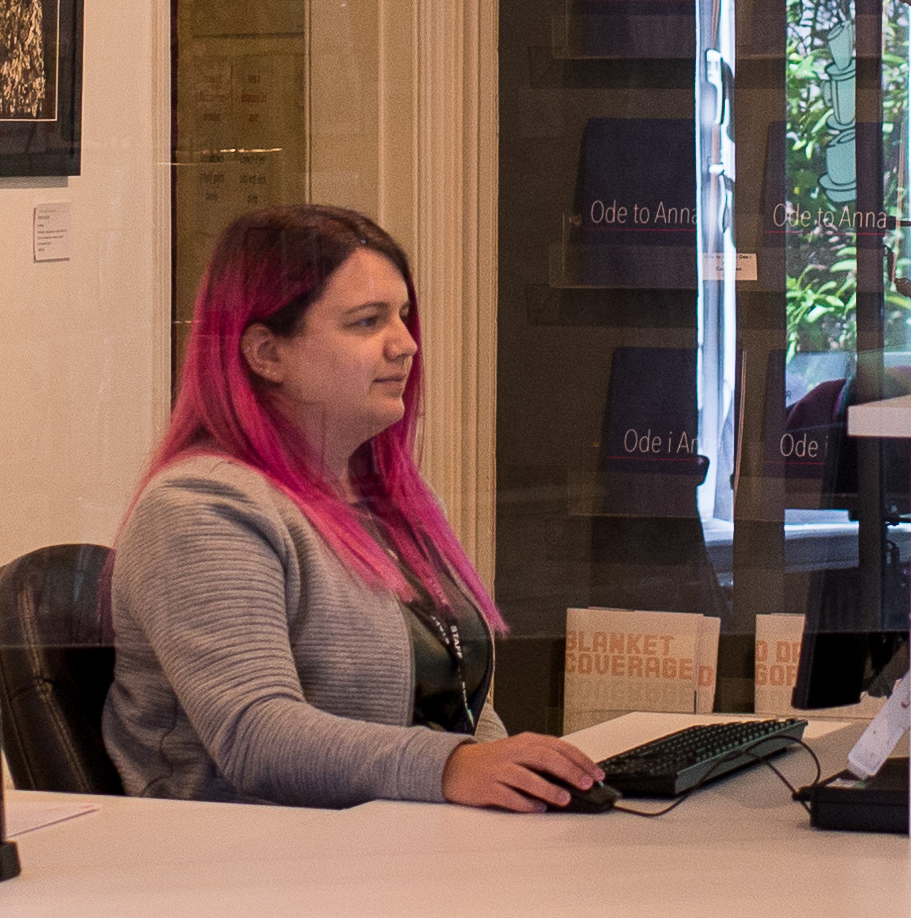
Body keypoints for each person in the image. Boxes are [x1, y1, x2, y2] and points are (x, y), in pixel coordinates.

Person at [103, 204, 608, 810]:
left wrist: (522, 784)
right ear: (267, 353)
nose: (406, 345)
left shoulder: (396, 500)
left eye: (402, 316)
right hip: (251, 872)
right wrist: (453, 767)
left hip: (396, 851)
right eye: (367, 323)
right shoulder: (200, 507)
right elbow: (255, 735)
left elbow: (462, 705)